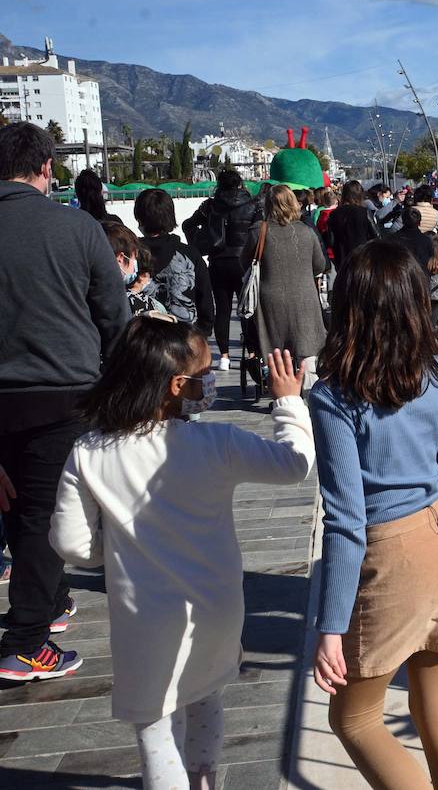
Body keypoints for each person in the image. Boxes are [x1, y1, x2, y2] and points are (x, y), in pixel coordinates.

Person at [50, 316, 314, 789]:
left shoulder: (89, 451)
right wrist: (289, 402)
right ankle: (204, 777)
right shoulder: (216, 443)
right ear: (177, 386)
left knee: (156, 727)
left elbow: (71, 544)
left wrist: (111, 549)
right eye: (205, 372)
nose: (210, 380)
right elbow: (295, 464)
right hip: (216, 607)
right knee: (206, 693)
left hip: (143, 620)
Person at [310, 240, 438, 790]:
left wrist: (330, 626)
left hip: (389, 552)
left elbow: (345, 520)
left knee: (355, 718)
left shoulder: (334, 398)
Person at [0, 122, 129, 682]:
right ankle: (25, 642)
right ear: (47, 167)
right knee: (43, 513)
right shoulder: (77, 228)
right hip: (61, 392)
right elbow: (114, 319)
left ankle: (50, 604)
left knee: (17, 508)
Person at [242, 185, 327, 377]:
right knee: (306, 346)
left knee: (276, 347)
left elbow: (244, 262)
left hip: (271, 297)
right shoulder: (306, 231)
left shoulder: (258, 231)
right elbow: (320, 265)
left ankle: (282, 389)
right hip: (304, 296)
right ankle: (305, 387)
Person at [183, 169, 263, 371]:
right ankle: (252, 353)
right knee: (248, 309)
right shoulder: (252, 205)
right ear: (240, 184)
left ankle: (224, 357)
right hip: (243, 262)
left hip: (218, 262)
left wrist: (200, 240)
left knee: (223, 310)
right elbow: (260, 232)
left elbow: (188, 224)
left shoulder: (210, 206)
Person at [134, 188, 215, 336]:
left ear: (139, 218)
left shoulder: (130, 257)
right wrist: (201, 334)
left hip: (141, 344)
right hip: (183, 342)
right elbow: (206, 304)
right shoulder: (190, 254)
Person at [100, 221, 166, 315]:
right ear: (121, 258)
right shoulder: (144, 306)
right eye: (134, 256)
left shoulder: (80, 297)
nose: (136, 261)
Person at [327, 180, 377, 267]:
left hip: (343, 259)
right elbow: (376, 235)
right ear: (360, 194)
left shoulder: (334, 214)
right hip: (363, 259)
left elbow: (331, 240)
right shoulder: (364, 212)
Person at [391, 206, 434, 271]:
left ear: (403, 221)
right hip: (420, 277)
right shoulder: (426, 241)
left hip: (400, 277)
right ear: (419, 223)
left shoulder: (393, 239)